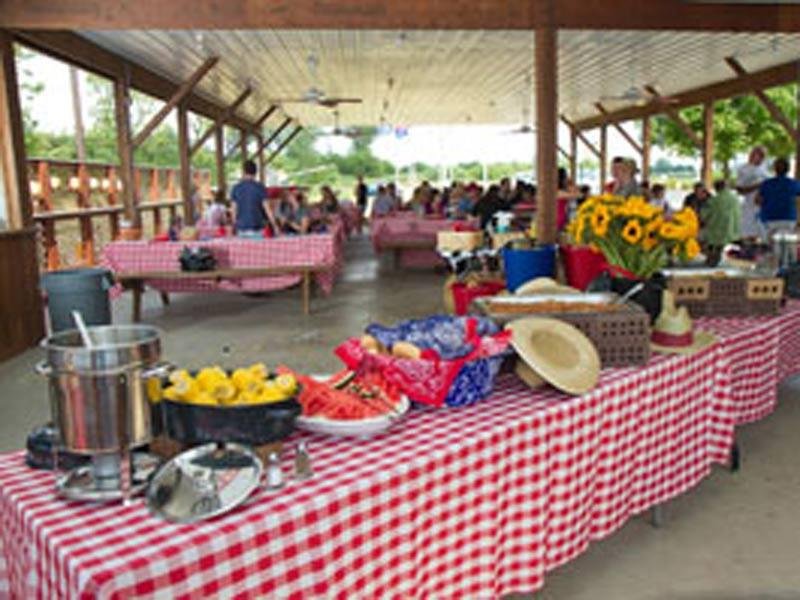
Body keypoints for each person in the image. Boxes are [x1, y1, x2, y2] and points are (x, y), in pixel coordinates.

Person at [230, 160, 278, 238]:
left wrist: (233, 226)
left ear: (243, 171)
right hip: (257, 227)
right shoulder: (260, 188)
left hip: (241, 228)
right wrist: (275, 225)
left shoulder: (236, 188)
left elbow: (233, 210)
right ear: (256, 172)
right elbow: (267, 208)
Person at [756, 157, 800, 238]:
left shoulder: (766, 184)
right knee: (788, 245)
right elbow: (797, 202)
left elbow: (758, 200)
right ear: (788, 169)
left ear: (774, 169)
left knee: (770, 246)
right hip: (789, 219)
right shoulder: (795, 184)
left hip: (769, 219)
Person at [701, 180, 741, 266]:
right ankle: (716, 255)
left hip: (715, 232)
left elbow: (704, 216)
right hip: (732, 230)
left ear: (716, 188)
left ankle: (712, 256)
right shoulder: (735, 199)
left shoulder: (713, 200)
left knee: (703, 238)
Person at [736, 145, 770, 239]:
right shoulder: (743, 169)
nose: (762, 158)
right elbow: (740, 189)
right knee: (748, 235)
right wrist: (757, 186)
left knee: (764, 235)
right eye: (760, 155)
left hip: (764, 207)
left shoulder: (765, 170)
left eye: (764, 156)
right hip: (749, 207)